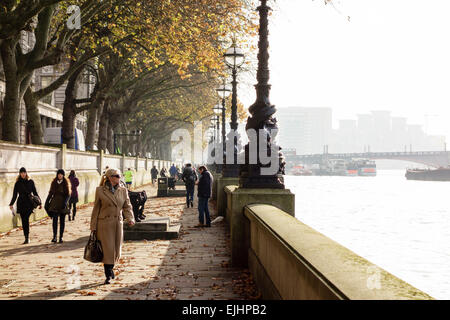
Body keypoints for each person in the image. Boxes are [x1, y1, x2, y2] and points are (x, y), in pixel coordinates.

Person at [90, 168, 135, 284]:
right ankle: (108, 274)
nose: (119, 178)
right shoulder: (100, 190)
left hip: (117, 223)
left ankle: (111, 268)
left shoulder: (123, 190)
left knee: (116, 249)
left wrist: (130, 218)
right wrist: (93, 226)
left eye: (120, 176)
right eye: (117, 176)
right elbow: (96, 209)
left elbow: (127, 206)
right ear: (110, 178)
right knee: (107, 250)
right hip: (104, 224)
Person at [9, 167, 42, 244]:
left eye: (24, 172)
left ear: (26, 173)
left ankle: (27, 237)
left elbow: (35, 193)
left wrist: (40, 203)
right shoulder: (17, 183)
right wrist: (11, 204)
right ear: (20, 174)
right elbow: (14, 195)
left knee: (26, 219)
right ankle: (26, 237)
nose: (23, 174)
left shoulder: (31, 182)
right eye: (21, 173)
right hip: (21, 203)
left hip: (29, 203)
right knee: (24, 221)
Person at [45, 169, 71, 243]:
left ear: (63, 175)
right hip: (55, 204)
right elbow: (50, 193)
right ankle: (54, 236)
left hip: (63, 204)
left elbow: (68, 194)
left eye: (61, 174)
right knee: (55, 221)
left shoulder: (66, 183)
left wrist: (65, 202)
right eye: (58, 174)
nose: (60, 175)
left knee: (62, 221)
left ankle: (61, 237)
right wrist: (47, 201)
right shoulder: (54, 183)